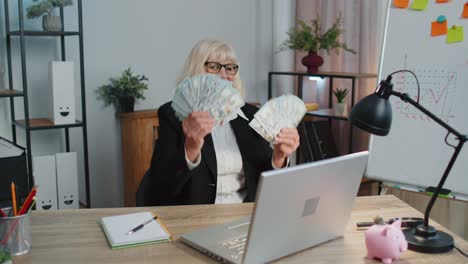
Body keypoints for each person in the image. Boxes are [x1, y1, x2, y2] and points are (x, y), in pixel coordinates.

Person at [144, 39, 300, 206]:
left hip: (246, 215)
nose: (224, 75)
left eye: (230, 67)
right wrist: (191, 147)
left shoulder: (253, 116)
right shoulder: (172, 114)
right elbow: (160, 189)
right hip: (197, 218)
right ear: (197, 71)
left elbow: (265, 184)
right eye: (214, 67)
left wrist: (279, 158)